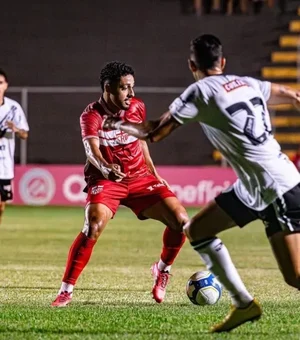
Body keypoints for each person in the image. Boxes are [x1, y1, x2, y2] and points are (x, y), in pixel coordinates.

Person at [103, 35, 300, 333]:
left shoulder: (200, 92)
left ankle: (244, 304)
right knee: (196, 229)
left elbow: (154, 132)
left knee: (295, 276)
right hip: (256, 186)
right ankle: (244, 305)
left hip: (275, 188)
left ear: (191, 64)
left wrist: (117, 123)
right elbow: (290, 93)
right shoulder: (247, 82)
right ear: (223, 62)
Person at [51, 61, 188, 307]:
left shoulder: (137, 107)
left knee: (181, 221)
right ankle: (66, 290)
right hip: (106, 180)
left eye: (132, 87)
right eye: (125, 88)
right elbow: (91, 150)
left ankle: (162, 270)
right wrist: (105, 168)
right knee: (93, 225)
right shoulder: (91, 115)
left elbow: (142, 141)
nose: (131, 94)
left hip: (139, 178)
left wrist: (154, 173)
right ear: (108, 88)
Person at [0, 69, 29, 224]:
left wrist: (16, 129)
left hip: (4, 165)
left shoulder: (13, 108)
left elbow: (25, 135)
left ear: (6, 85)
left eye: (0, 83)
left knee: (1, 205)